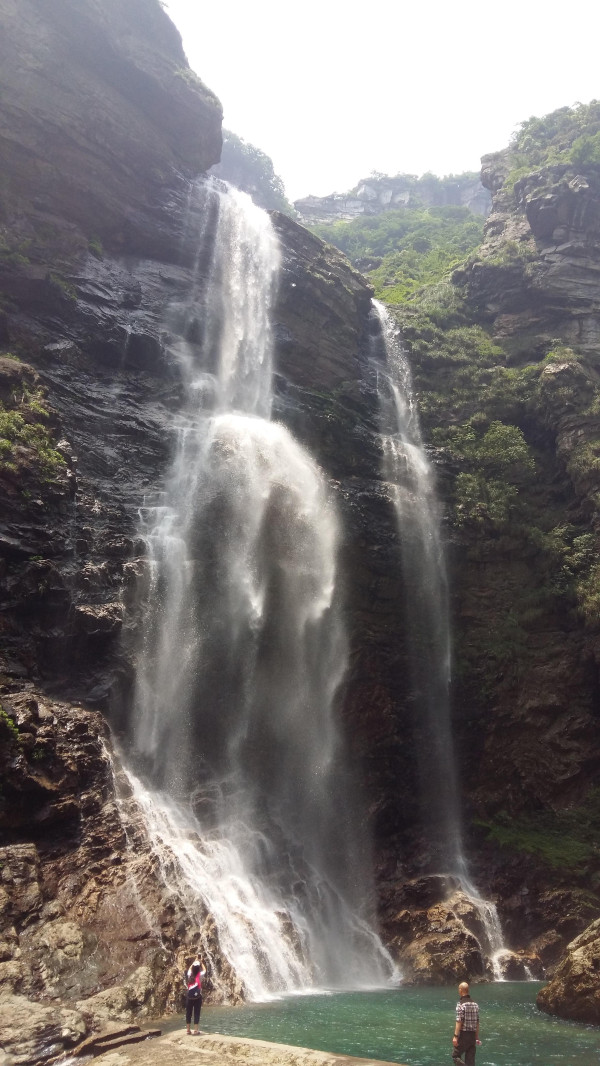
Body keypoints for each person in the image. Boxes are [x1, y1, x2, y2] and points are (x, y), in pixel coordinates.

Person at [452, 981, 480, 1066]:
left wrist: (455, 1036)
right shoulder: (475, 1005)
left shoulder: (460, 1004)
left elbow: (459, 1021)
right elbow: (477, 1023)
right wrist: (476, 1037)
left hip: (464, 1035)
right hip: (472, 1036)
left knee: (455, 1056)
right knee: (470, 1061)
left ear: (460, 990)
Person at [185, 957, 207, 1035]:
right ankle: (196, 1030)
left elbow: (190, 969)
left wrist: (194, 962)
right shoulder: (200, 975)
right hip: (197, 998)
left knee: (188, 1013)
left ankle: (188, 1030)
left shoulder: (189, 974)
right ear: (198, 968)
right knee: (197, 1013)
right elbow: (205, 970)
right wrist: (201, 962)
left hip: (189, 997)